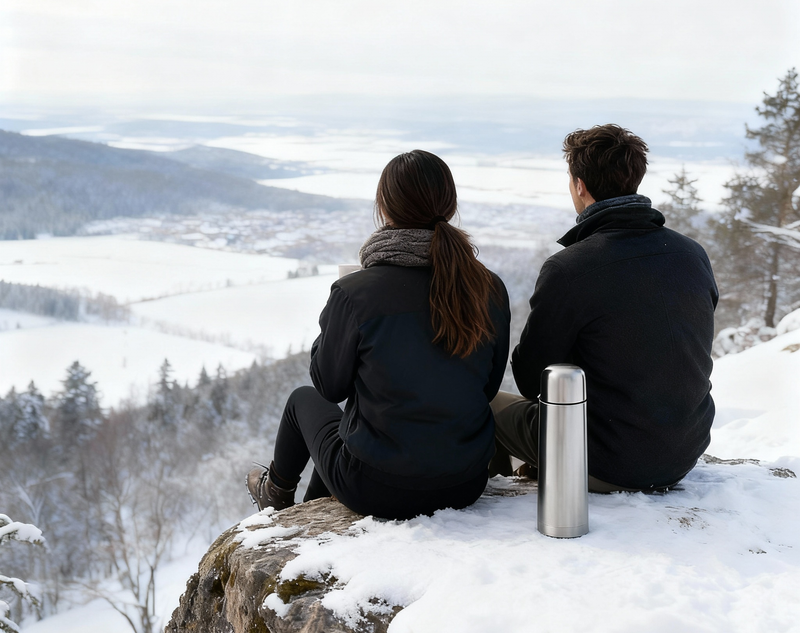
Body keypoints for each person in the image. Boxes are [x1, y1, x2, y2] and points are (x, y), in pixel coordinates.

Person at [247, 150, 511, 520]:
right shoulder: (488, 287)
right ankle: (303, 507)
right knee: (348, 434)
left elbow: (328, 386)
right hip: (464, 482)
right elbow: (486, 386)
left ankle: (275, 493)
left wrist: (334, 325)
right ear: (449, 206)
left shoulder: (356, 292)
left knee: (302, 401)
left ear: (385, 209)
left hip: (377, 488)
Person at [491, 124, 718, 492]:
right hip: (682, 453)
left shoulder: (571, 268)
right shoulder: (692, 254)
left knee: (483, 404)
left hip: (609, 460)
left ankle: (488, 500)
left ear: (580, 185)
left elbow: (534, 381)